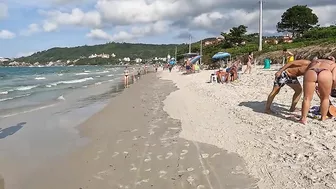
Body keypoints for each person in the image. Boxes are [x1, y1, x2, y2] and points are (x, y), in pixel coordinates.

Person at [300, 58, 336, 124]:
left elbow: (305, 71)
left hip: (311, 71)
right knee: (325, 98)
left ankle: (303, 118)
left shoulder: (314, 61)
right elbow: (334, 79)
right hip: (325, 73)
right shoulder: (333, 64)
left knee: (307, 98)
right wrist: (332, 88)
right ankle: (323, 118)